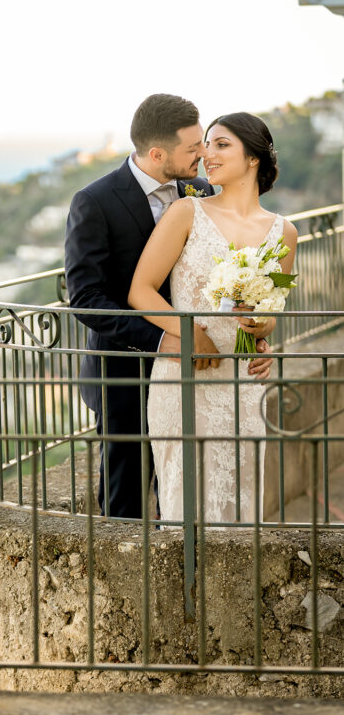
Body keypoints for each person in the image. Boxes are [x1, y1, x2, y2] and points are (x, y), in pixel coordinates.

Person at [128, 112, 297, 523]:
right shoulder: (187, 212)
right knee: (184, 506)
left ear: (254, 158)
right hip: (184, 377)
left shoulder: (284, 232)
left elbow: (271, 313)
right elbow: (141, 290)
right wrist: (188, 333)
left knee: (242, 506)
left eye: (222, 144)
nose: (208, 154)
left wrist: (259, 331)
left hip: (243, 383)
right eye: (206, 144)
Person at [65, 94, 226, 518]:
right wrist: (161, 339)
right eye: (194, 149)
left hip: (196, 366)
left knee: (191, 483)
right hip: (123, 371)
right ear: (158, 154)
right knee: (127, 498)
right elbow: (86, 298)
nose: (203, 155)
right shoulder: (94, 201)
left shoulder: (201, 192)